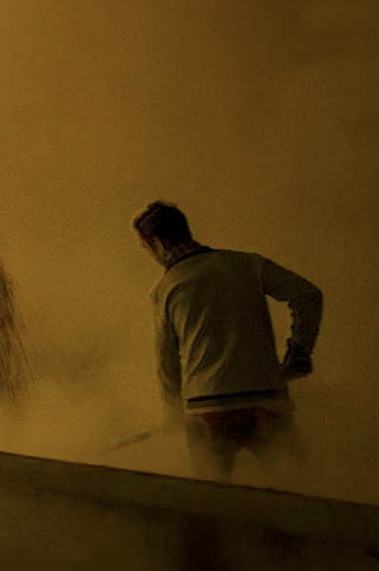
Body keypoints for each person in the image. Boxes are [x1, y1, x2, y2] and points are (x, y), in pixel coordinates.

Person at [135, 201, 323, 481]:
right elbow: (307, 295)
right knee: (300, 488)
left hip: (206, 409)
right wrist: (299, 352)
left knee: (212, 500)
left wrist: (172, 412)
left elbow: (167, 361)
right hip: (265, 399)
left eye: (145, 247)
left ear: (156, 243)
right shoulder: (247, 264)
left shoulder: (165, 289)